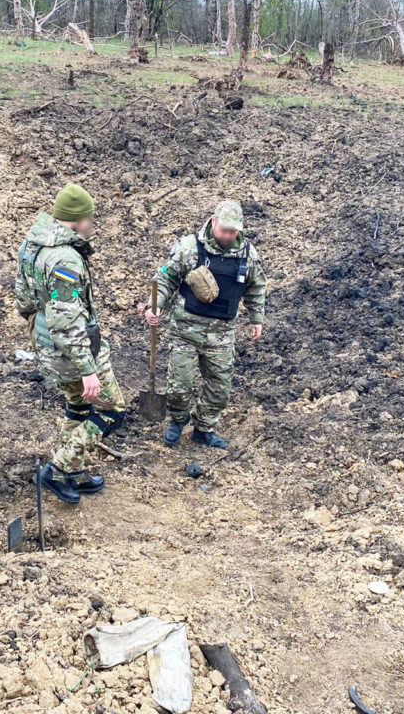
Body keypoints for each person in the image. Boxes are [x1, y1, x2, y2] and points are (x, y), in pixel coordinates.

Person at [14, 183, 126, 504]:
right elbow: (67, 319)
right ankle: (58, 469)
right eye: (89, 217)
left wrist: (41, 332)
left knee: (78, 405)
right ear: (75, 220)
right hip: (75, 350)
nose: (91, 223)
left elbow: (24, 298)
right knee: (111, 410)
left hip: (47, 343)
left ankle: (73, 472)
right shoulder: (65, 261)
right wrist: (88, 368)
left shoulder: (33, 244)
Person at [143, 200, 266, 449]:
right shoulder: (189, 248)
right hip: (185, 330)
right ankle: (178, 421)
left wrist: (256, 318)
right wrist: (154, 305)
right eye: (225, 231)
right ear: (213, 222)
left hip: (221, 334)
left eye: (234, 232)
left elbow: (256, 287)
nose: (229, 236)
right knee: (179, 386)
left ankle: (203, 428)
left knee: (220, 389)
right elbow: (166, 277)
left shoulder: (247, 254)